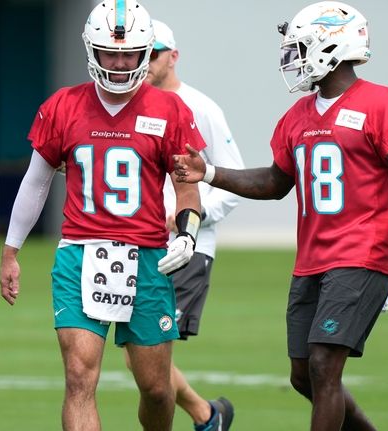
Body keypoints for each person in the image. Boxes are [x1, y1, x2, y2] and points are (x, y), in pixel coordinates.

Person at [173, 2, 388, 429]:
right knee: (303, 374)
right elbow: (274, 183)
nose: (292, 57)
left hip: (362, 254)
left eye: (300, 46)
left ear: (330, 45)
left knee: (325, 366)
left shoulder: (381, 104)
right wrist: (210, 173)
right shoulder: (296, 117)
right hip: (312, 259)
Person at [0, 2, 206, 430]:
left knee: (156, 388)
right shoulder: (63, 106)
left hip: (148, 256)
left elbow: (188, 189)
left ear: (145, 52)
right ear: (91, 50)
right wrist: (11, 250)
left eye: (129, 53)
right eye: (109, 52)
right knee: (78, 378)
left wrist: (187, 236)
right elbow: (36, 183)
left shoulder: (170, 110)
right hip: (80, 252)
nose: (118, 62)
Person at [142, 18, 244, 431]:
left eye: (153, 53)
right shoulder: (130, 107)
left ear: (174, 56)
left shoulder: (201, 108)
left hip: (187, 249)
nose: (143, 61)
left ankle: (207, 416)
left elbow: (232, 180)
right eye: (139, 52)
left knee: (148, 350)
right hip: (138, 247)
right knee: (142, 350)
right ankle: (208, 415)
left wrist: (190, 220)